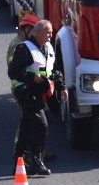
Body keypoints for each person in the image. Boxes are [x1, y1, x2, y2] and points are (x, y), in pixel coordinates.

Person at [8, 20, 67, 175]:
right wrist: (31, 77)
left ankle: (19, 162)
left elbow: (55, 71)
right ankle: (36, 161)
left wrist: (62, 88)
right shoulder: (24, 48)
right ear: (38, 32)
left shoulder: (49, 48)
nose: (51, 35)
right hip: (25, 90)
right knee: (41, 124)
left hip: (40, 92)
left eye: (51, 33)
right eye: (48, 32)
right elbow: (13, 72)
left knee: (27, 125)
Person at [7, 13, 40, 160]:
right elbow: (15, 70)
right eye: (34, 31)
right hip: (22, 88)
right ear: (26, 29)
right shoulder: (18, 46)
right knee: (27, 120)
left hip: (30, 87)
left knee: (35, 120)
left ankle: (35, 150)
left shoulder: (26, 43)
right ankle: (21, 154)